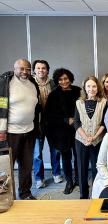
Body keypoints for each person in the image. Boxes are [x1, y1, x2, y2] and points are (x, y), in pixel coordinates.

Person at [0, 58, 40, 200]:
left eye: (28, 69)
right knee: (7, 167)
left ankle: (25, 193)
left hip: (29, 131)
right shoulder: (5, 83)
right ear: (15, 68)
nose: (25, 72)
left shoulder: (32, 84)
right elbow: (1, 106)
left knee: (26, 166)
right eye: (21, 68)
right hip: (10, 133)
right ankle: (6, 197)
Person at [44, 68, 80, 195]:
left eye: (66, 78)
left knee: (78, 156)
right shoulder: (53, 95)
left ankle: (79, 180)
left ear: (70, 78)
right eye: (60, 79)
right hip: (61, 132)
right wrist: (66, 120)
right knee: (66, 157)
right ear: (57, 81)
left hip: (78, 130)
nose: (64, 81)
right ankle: (69, 181)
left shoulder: (78, 91)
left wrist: (75, 121)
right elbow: (49, 116)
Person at [74, 76, 107, 199]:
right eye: (88, 86)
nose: (91, 89)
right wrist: (86, 137)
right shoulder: (79, 102)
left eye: (94, 86)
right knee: (82, 168)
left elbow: (104, 123)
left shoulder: (103, 102)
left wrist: (94, 137)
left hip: (97, 141)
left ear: (97, 88)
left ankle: (95, 194)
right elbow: (76, 122)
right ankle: (83, 195)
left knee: (96, 169)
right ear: (85, 88)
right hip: (81, 140)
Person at [31, 59, 63, 189]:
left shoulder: (54, 83)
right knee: (37, 153)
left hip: (52, 122)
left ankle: (56, 173)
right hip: (37, 123)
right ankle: (39, 178)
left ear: (47, 70)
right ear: (34, 70)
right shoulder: (30, 83)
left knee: (55, 150)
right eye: (38, 68)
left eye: (43, 68)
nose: (41, 70)